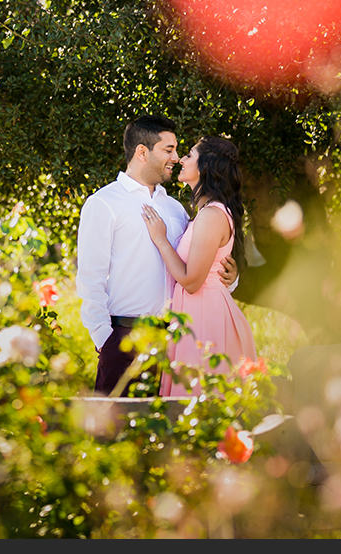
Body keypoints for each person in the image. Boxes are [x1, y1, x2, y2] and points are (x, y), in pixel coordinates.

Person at [76, 116, 238, 397]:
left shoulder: (176, 209)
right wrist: (105, 339)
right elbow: (90, 277)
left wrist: (230, 279)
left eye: (178, 151)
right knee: (113, 434)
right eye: (168, 150)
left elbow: (198, 264)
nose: (176, 158)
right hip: (124, 338)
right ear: (142, 152)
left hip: (176, 343)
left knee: (169, 435)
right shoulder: (103, 203)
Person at [140, 135, 257, 397]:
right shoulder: (204, 214)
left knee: (198, 397)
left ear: (206, 166)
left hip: (205, 315)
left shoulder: (213, 215)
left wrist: (161, 240)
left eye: (189, 155)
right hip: (196, 313)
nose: (181, 158)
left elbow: (192, 282)